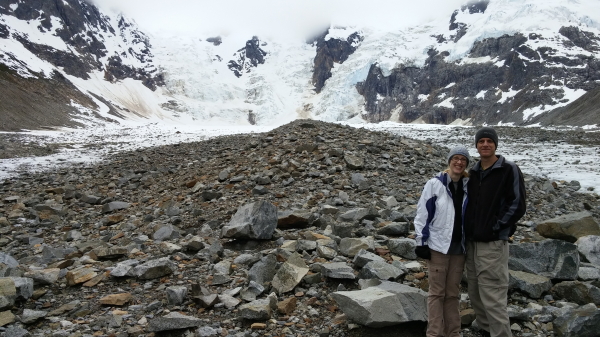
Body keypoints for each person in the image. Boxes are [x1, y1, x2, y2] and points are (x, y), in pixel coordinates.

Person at [465, 127, 526, 337]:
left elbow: (517, 204)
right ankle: (485, 331)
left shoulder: (509, 169)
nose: (485, 144)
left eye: (489, 141)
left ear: (495, 144)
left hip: (492, 243)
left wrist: (496, 226)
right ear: (476, 145)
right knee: (475, 293)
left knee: (492, 295)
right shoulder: (473, 172)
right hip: (472, 242)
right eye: (481, 141)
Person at [414, 146, 470, 337]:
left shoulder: (468, 186)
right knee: (437, 293)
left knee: (452, 294)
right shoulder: (434, 184)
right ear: (449, 161)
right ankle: (435, 334)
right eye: (455, 158)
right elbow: (423, 213)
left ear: (466, 164)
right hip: (438, 246)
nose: (459, 162)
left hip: (459, 249)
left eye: (463, 159)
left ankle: (453, 333)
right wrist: (421, 242)